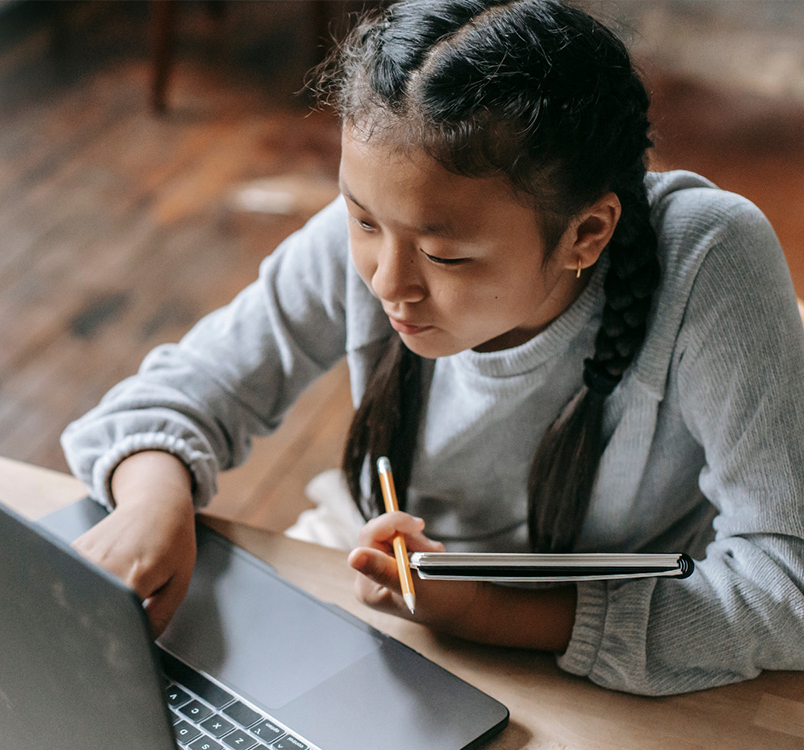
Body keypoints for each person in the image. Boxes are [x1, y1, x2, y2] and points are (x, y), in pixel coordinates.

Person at [60, 0, 804, 695]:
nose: (388, 284)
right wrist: (153, 503)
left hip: (624, 639)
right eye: (359, 219)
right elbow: (183, 389)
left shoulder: (709, 261)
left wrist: (486, 613)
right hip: (382, 578)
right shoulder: (395, 213)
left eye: (446, 258)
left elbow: (788, 586)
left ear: (587, 235)